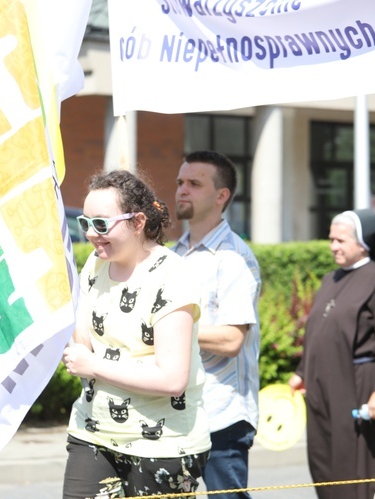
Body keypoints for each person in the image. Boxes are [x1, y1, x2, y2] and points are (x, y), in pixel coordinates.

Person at [62, 169, 210, 498]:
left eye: (101, 224)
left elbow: (173, 379)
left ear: (138, 221)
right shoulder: (95, 264)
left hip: (164, 445)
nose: (90, 234)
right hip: (93, 433)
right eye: (85, 224)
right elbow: (85, 346)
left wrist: (94, 366)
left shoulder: (172, 275)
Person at [171, 150, 261, 499]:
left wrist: (169, 330)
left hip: (222, 414)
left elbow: (230, 340)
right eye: (180, 182)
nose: (182, 190)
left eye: (194, 183)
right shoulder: (174, 253)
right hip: (180, 407)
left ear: (221, 196)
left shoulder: (234, 258)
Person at [288, 209, 375, 499]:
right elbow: (318, 331)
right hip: (322, 385)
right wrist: (302, 373)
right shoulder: (331, 278)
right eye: (331, 240)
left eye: (340, 240)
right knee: (323, 459)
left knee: (352, 465)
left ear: (363, 242)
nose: (333, 247)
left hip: (357, 386)